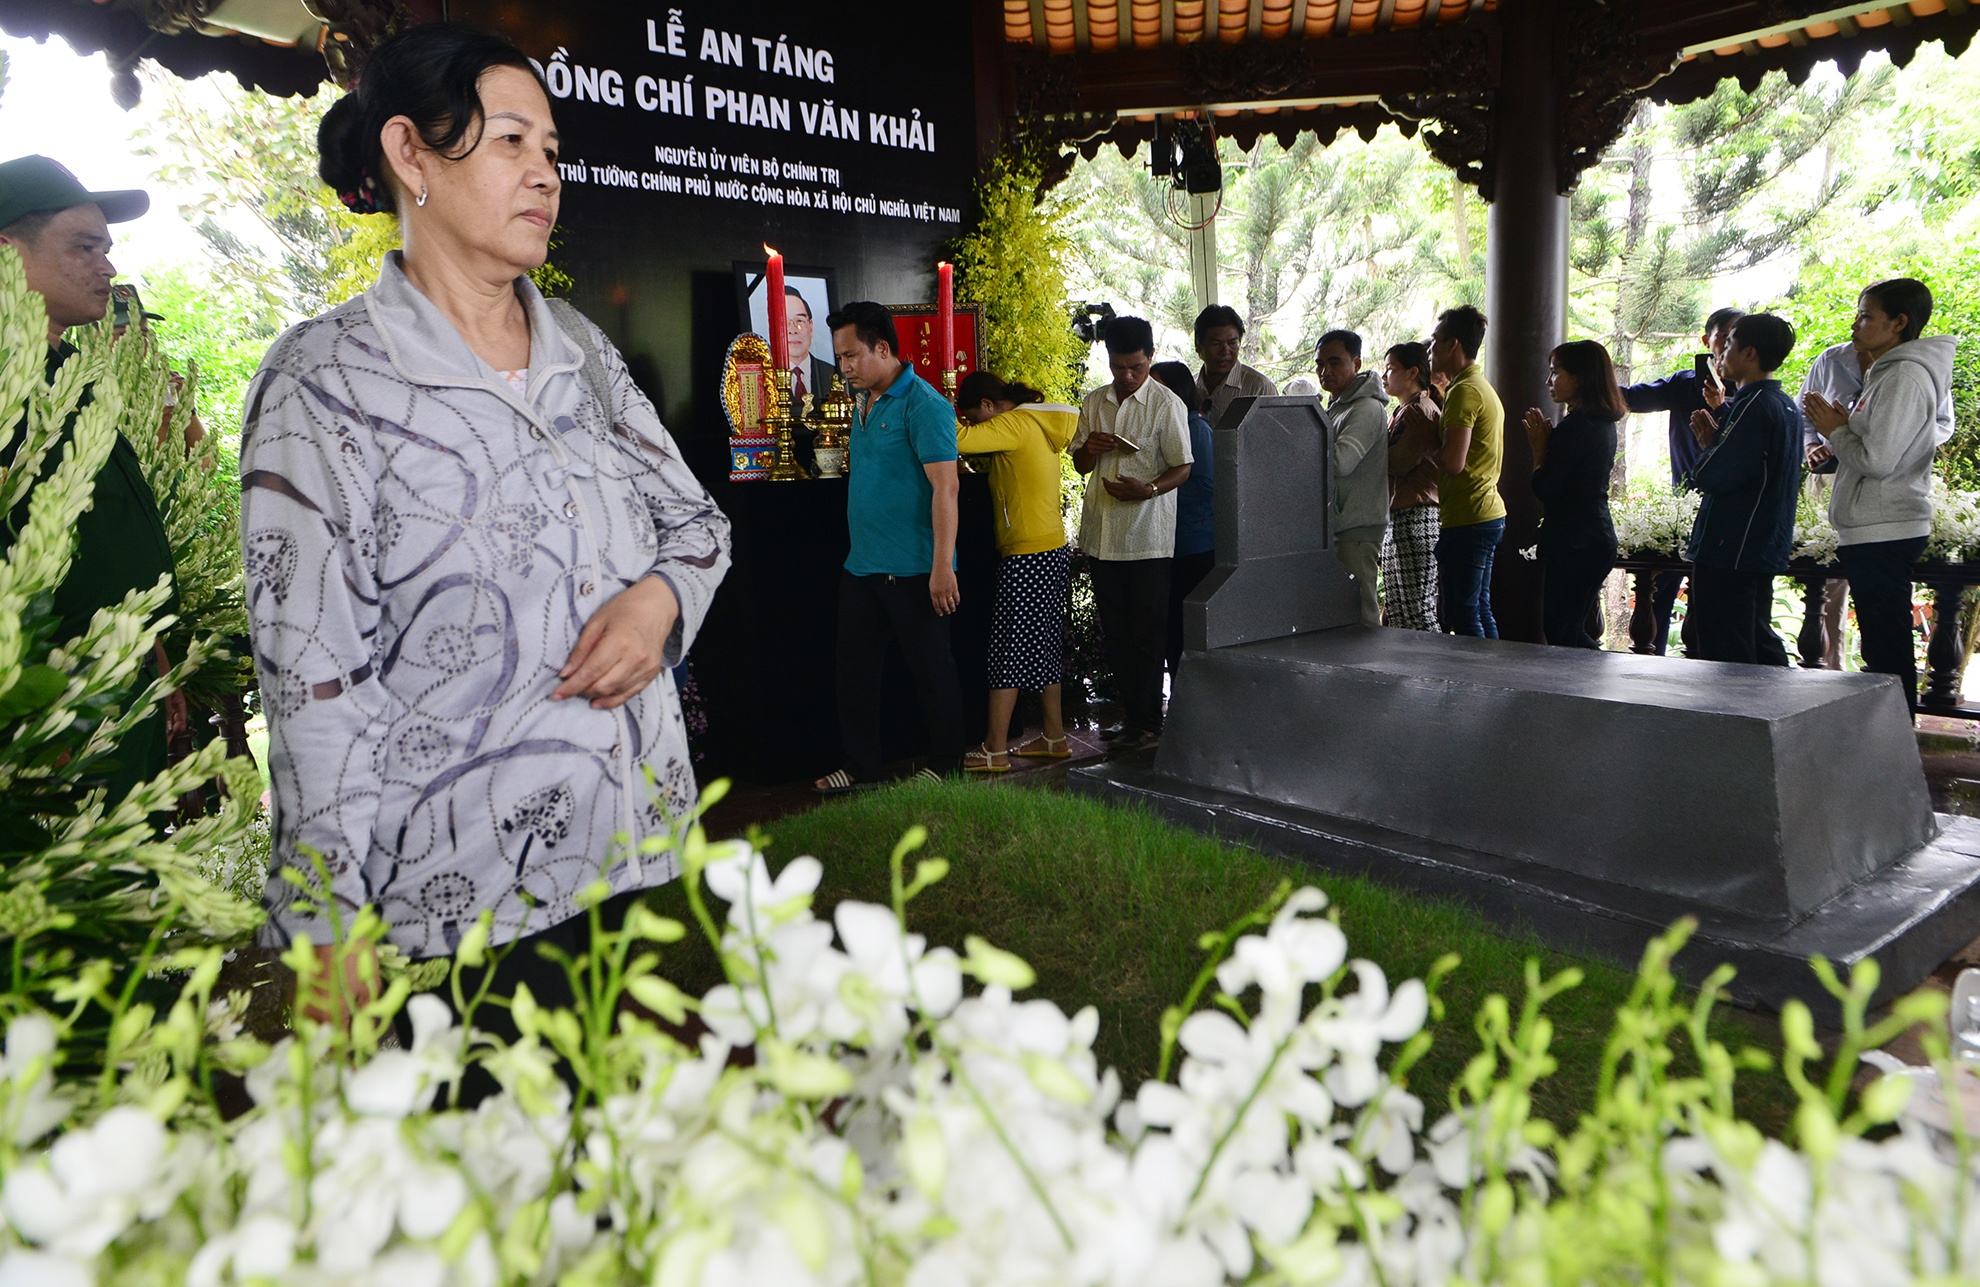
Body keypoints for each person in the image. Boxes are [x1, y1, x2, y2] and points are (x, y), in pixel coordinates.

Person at [242, 26, 732, 1057]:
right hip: (457, 898)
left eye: (550, 151)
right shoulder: (327, 383)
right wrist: (326, 916)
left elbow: (696, 527)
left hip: (635, 849)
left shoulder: (582, 355)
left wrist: (659, 603)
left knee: (643, 1170)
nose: (544, 176)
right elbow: (310, 672)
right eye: (511, 142)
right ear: (411, 155)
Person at [0, 154, 178, 801]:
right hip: (50, 702)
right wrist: (31, 707)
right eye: (83, 247)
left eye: (107, 248)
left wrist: (155, 651)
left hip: (120, 674)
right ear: (7, 250)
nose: (106, 266)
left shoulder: (70, 372)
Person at [816, 300, 966, 790]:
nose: (845, 368)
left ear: (883, 348)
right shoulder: (863, 400)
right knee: (853, 675)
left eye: (853, 355)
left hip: (916, 568)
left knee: (931, 673)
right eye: (839, 357)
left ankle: (946, 768)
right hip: (862, 566)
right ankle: (861, 768)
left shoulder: (926, 404)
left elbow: (947, 488)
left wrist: (942, 567)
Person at [1803, 278, 1957, 712]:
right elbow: (1878, 444)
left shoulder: (1904, 375)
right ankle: (1890, 742)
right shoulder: (1890, 371)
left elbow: (1878, 460)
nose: (1856, 325)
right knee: (1882, 645)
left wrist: (1835, 431)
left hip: (1885, 529)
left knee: (1886, 651)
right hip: (1873, 527)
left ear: (1899, 323)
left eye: (1867, 316)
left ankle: (1893, 747)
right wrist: (1844, 426)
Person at [1071, 316, 1192, 752]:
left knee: (1148, 634)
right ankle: (1134, 718)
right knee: (1117, 634)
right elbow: (1080, 464)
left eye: (1135, 368)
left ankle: (1152, 723)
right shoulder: (1095, 402)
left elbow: (1184, 466)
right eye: (1119, 367)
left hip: (1148, 539)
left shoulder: (1166, 404)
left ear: (1150, 357)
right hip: (1103, 535)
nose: (1126, 376)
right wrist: (1090, 449)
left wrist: (1151, 489)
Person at [955, 372, 1078, 771]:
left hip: (1027, 553)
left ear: (989, 406)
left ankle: (994, 749)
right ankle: (1055, 738)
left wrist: (931, 408)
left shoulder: (1014, 423)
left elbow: (960, 440)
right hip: (1050, 548)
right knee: (1043, 648)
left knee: (1007, 649)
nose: (975, 425)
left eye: (975, 416)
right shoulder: (1033, 422)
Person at [1621, 307, 1743, 654]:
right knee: (1659, 593)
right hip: (1682, 511)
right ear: (1708, 341)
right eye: (1726, 337)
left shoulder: (1753, 395)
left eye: (1740, 338)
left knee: (1717, 606)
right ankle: (1650, 667)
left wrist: (1722, 407)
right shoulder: (1684, 384)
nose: (1732, 346)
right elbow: (1631, 398)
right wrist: (1588, 380)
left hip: (1731, 517)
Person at [1683, 314, 1801, 667]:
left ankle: (1735, 719)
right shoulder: (1785, 405)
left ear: (1750, 353)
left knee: (1727, 646)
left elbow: (1713, 474)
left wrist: (1708, 448)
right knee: (1756, 637)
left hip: (1732, 546)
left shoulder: (1753, 405)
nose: (1721, 351)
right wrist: (1716, 443)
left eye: (1729, 343)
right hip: (1760, 542)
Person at [1524, 340, 1626, 649]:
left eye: (1556, 372)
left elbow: (1546, 488)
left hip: (1576, 543)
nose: (1548, 381)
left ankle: (1592, 693)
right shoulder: (1600, 423)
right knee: (1571, 630)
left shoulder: (1577, 426)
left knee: (1562, 632)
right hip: (1593, 537)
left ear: (1579, 377)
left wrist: (1539, 450)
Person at [1429, 305, 1507, 638]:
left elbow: (1452, 463)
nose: (1430, 350)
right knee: (1478, 609)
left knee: (1462, 612)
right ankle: (1492, 683)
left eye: (1436, 342)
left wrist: (1423, 440)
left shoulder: (1464, 391)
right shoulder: (1477, 386)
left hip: (1469, 516)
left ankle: (1476, 688)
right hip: (1484, 513)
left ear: (1453, 345)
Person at [1316, 330, 1390, 627]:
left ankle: (1369, 674)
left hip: (1357, 527)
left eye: (1335, 363)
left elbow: (1341, 462)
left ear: (1356, 363)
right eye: (1320, 364)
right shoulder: (1337, 407)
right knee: (1341, 615)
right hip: (1342, 525)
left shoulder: (1367, 409)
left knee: (1361, 616)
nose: (1325, 371)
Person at [1150, 360, 1214, 678]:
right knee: (1171, 630)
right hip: (1166, 541)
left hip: (1194, 543)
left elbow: (1206, 484)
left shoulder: (1196, 427)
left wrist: (1156, 490)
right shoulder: (1159, 426)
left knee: (1188, 631)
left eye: (1158, 387)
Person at [1381, 342, 1442, 631]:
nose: (1385, 375)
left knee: (1418, 612)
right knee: (1397, 612)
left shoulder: (1420, 410)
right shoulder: (1404, 410)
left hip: (1417, 516)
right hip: (1401, 516)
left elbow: (1398, 462)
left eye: (1391, 369)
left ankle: (1436, 674)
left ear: (1412, 373)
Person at [1193, 304, 1277, 428]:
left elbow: (1275, 437)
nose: (1225, 351)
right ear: (1198, 346)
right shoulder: (1191, 387)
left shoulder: (1260, 387)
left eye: (1232, 343)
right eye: (1216, 344)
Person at [783, 285, 836, 410]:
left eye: (800, 321)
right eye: (784, 322)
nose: (793, 330)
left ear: (810, 326)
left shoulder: (831, 373)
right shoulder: (764, 377)